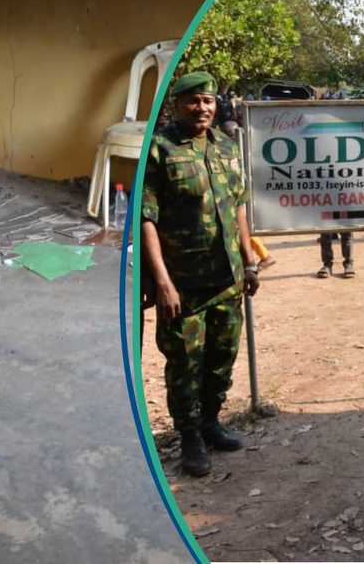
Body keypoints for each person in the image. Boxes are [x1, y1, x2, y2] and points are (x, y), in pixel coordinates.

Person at [141, 71, 261, 476]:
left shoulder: (226, 147)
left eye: (208, 101)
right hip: (183, 285)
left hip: (226, 279)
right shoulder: (159, 150)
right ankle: (189, 436)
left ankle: (211, 422)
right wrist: (161, 282)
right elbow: (147, 218)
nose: (202, 108)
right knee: (184, 364)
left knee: (221, 358)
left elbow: (239, 205)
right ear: (176, 104)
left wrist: (249, 260)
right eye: (193, 101)